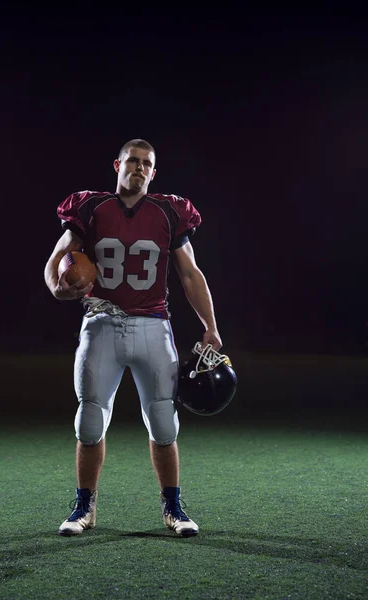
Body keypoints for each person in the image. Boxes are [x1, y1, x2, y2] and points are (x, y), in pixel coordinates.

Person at [44, 138, 223, 537]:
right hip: (101, 324)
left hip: (152, 326)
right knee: (90, 421)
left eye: (147, 163)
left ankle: (174, 508)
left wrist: (210, 326)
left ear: (153, 172)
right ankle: (83, 508)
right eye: (132, 161)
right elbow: (57, 259)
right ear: (117, 164)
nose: (139, 168)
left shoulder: (167, 211)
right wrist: (56, 286)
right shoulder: (91, 208)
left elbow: (190, 274)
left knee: (163, 423)